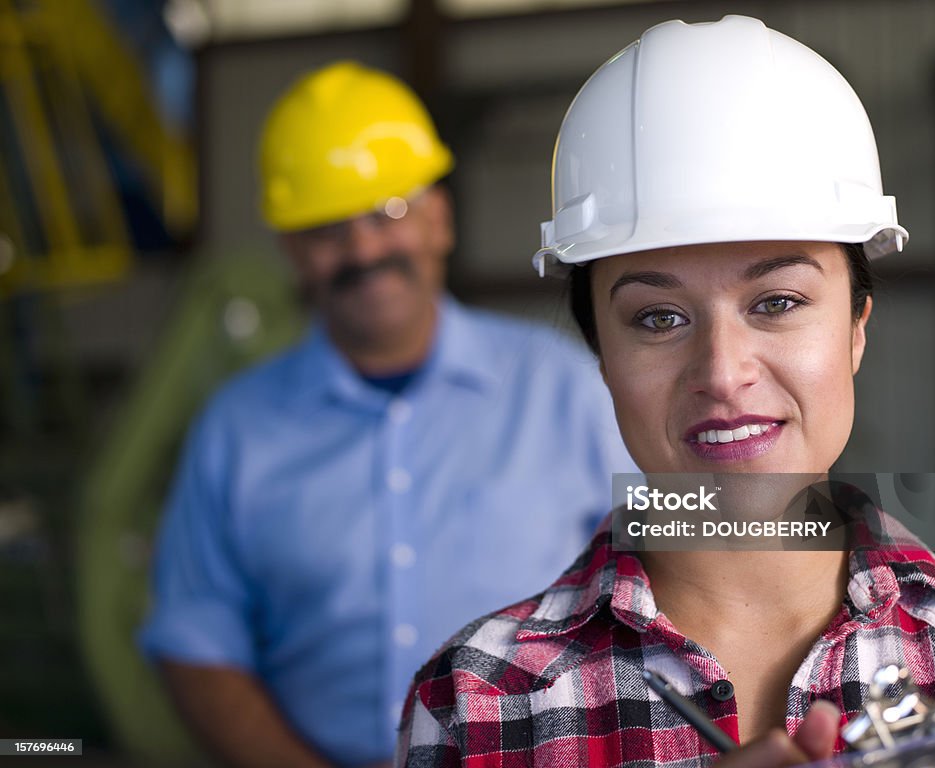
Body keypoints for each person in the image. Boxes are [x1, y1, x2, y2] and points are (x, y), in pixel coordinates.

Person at [397, 16, 935, 767]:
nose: (724, 373)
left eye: (777, 302)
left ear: (857, 326)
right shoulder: (478, 703)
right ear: (601, 355)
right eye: (658, 318)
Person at [138, 61, 634, 768]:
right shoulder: (235, 432)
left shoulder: (571, 389)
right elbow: (195, 641)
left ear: (439, 216)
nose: (365, 250)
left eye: (387, 213)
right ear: (291, 251)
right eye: (327, 230)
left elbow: (701, 555)